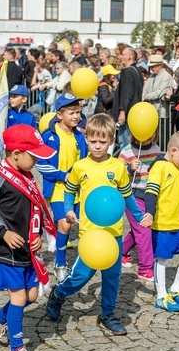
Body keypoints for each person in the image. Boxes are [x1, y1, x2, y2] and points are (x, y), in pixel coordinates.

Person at [45, 114, 147, 336]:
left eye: (103, 141)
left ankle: (107, 314)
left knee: (112, 276)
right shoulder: (80, 167)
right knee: (81, 276)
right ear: (87, 139)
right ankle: (58, 294)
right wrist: (69, 209)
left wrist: (139, 216)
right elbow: (70, 191)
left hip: (113, 233)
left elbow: (127, 196)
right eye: (93, 141)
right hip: (90, 233)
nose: (98, 146)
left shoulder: (119, 167)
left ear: (111, 141)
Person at [0, 124, 57, 351]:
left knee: (32, 295)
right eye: (33, 155)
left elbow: (32, 212)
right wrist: (3, 233)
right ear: (16, 154)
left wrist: (38, 236)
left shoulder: (28, 177)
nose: (36, 160)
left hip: (26, 248)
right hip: (5, 248)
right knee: (20, 297)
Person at [142, 131, 179, 311]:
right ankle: (161, 297)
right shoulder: (160, 167)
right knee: (162, 260)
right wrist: (150, 214)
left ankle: (175, 289)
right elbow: (151, 192)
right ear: (173, 150)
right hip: (164, 225)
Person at [37, 93, 88, 281]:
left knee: (77, 225)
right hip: (58, 188)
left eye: (78, 112)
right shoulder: (49, 136)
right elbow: (41, 164)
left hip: (77, 190)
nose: (75, 117)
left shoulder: (79, 137)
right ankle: (60, 263)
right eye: (71, 113)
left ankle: (82, 263)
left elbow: (84, 161)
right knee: (65, 225)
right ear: (59, 115)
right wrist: (62, 175)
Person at [119, 131, 161, 282]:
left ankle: (120, 252)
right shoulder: (126, 151)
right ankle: (145, 268)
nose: (147, 134)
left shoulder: (156, 149)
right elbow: (118, 174)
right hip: (132, 195)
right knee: (144, 230)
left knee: (138, 229)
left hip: (150, 195)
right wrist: (129, 169)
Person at [114, 48, 143, 150]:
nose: (121, 56)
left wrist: (122, 111)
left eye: (123, 54)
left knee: (125, 144)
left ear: (129, 57)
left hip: (127, 113)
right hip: (134, 112)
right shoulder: (137, 71)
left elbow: (127, 93)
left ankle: (127, 165)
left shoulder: (127, 72)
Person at [143, 54, 173, 120]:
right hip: (151, 111)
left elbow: (160, 92)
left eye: (153, 66)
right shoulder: (151, 76)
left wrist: (146, 96)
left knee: (162, 130)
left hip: (162, 113)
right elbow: (145, 89)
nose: (151, 68)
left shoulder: (166, 76)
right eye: (151, 66)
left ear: (160, 66)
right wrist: (143, 96)